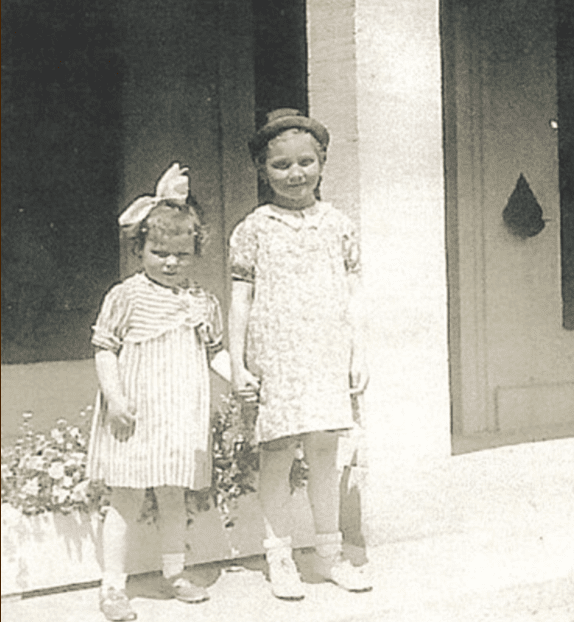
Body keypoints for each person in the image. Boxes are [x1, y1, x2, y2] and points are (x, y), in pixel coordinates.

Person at [229, 109, 372, 600]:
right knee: (276, 456)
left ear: (322, 162)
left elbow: (354, 295)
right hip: (276, 360)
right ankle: (280, 558)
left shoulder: (338, 225)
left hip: (326, 355)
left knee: (325, 456)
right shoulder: (254, 228)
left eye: (306, 162)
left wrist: (359, 354)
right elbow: (240, 300)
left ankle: (329, 557)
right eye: (281, 166)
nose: (295, 174)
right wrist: (238, 362)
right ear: (262, 170)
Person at [87, 163, 226, 621]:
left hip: (179, 414)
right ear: (140, 249)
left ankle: (175, 573)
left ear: (195, 253)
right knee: (125, 498)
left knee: (173, 494)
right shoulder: (126, 296)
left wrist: (241, 380)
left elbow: (214, 353)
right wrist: (116, 399)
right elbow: (105, 348)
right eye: (159, 252)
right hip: (135, 414)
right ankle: (112, 587)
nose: (170, 262)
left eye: (181, 255)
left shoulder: (202, 300)